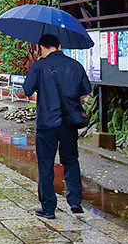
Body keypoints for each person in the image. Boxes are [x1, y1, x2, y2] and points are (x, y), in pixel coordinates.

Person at [22, 33, 90, 219]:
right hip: (69, 122)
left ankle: (48, 208)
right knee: (71, 160)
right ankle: (75, 203)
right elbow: (85, 93)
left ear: (41, 47)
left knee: (46, 164)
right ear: (59, 46)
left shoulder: (39, 66)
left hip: (47, 122)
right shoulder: (75, 65)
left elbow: (27, 90)